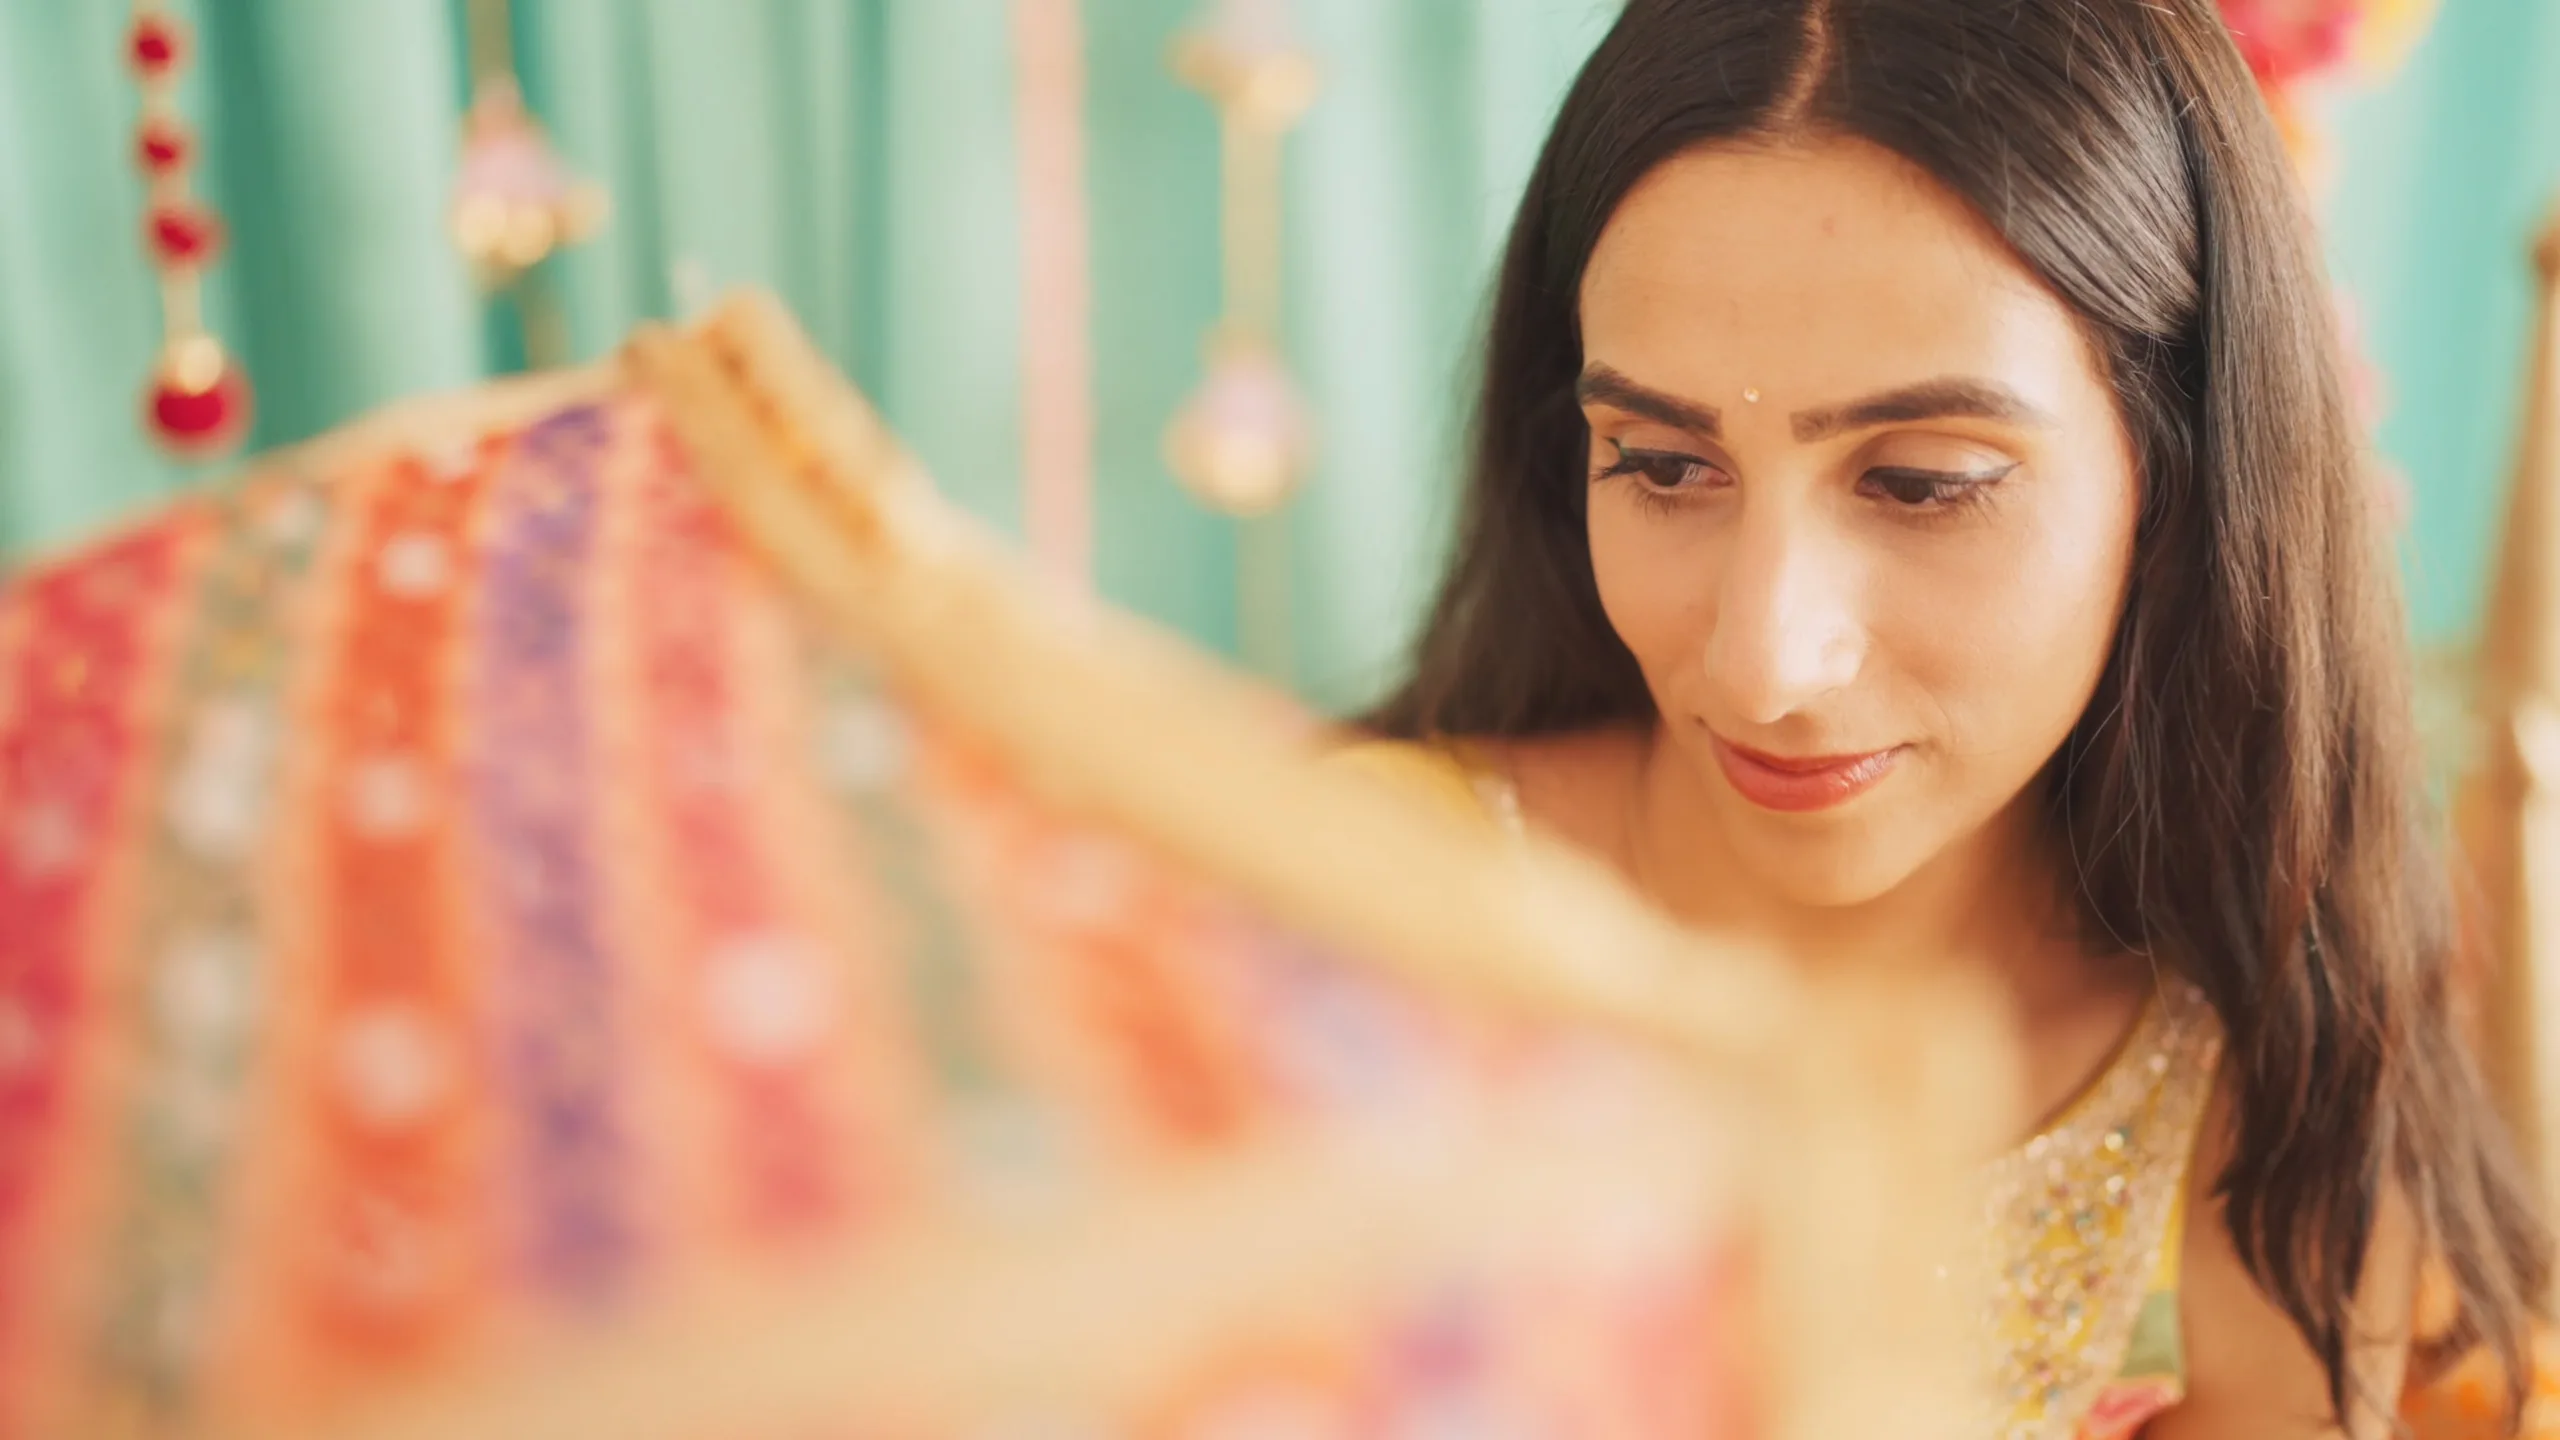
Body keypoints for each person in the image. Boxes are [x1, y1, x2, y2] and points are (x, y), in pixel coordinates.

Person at [1344, 1, 2551, 1435]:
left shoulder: (2270, 1119)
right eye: (1664, 466)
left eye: (1919, 484)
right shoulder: (1331, 922)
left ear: (2181, 483)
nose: (1764, 663)